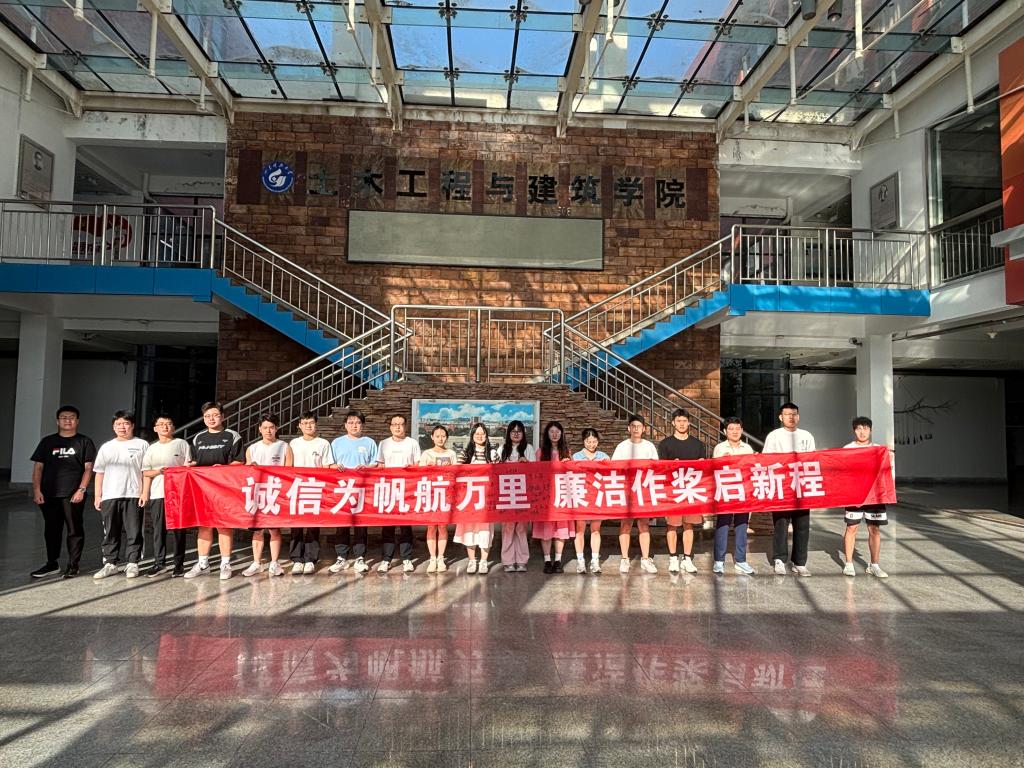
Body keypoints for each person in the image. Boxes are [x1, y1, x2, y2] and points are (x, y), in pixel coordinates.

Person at [29, 405, 96, 579]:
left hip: (73, 494)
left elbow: (89, 468)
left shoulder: (85, 441)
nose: (68, 420)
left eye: (72, 417)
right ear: (57, 421)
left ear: (77, 421)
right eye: (64, 417)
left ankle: (73, 565)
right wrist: (37, 490)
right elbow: (38, 468)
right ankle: (52, 563)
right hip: (49, 493)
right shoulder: (47, 442)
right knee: (51, 529)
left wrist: (81, 489)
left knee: (74, 529)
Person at [184, 402, 244, 580]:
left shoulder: (232, 436)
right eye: (207, 416)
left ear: (222, 417)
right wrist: (191, 465)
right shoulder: (198, 438)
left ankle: (225, 563)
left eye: (215, 415)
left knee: (223, 525)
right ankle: (203, 563)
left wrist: (224, 468)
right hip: (202, 488)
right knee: (204, 525)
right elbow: (195, 460)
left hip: (224, 488)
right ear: (203, 418)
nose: (211, 419)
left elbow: (240, 461)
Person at [92, 411, 148, 580]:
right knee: (110, 531)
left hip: (133, 493)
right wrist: (97, 496)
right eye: (118, 424)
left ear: (132, 425)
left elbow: (146, 471)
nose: (122, 427)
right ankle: (110, 563)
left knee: (134, 530)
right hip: (110, 495)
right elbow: (99, 472)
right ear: (113, 427)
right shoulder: (107, 447)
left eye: (125, 423)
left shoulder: (142, 444)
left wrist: (144, 492)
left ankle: (133, 562)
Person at [762, 401, 816, 577]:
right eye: (787, 414)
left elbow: (812, 459)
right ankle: (779, 559)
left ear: (798, 417)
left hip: (801, 487)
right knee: (781, 524)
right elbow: (766, 460)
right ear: (780, 417)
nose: (791, 417)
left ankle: (799, 562)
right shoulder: (774, 436)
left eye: (794, 414)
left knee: (802, 525)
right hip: (782, 487)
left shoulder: (807, 435)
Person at [139, 413, 193, 578]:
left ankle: (178, 564)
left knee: (178, 529)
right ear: (155, 428)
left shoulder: (181, 444)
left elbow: (188, 469)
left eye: (169, 423)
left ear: (174, 427)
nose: (165, 426)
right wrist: (145, 492)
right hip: (158, 493)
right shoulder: (152, 448)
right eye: (161, 424)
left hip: (178, 493)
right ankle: (159, 563)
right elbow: (146, 472)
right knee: (158, 529)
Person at [242, 414, 293, 578]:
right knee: (257, 531)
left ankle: (274, 563)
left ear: (276, 428)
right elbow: (246, 472)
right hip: (257, 494)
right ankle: (257, 563)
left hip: (275, 493)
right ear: (260, 429)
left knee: (274, 530)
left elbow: (289, 471)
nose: (268, 431)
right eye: (265, 428)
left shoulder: (284, 447)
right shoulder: (252, 448)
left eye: (271, 427)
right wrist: (251, 467)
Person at [328, 410, 377, 574]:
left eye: (357, 422)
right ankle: (341, 557)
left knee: (361, 524)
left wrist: (367, 467)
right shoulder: (336, 443)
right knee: (342, 523)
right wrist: (335, 467)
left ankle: (360, 557)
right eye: (350, 422)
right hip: (342, 489)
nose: (354, 425)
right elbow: (330, 464)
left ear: (362, 425)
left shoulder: (369, 442)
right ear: (345, 425)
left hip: (362, 489)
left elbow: (376, 464)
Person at [658, 408, 706, 574]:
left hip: (691, 489)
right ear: (673, 423)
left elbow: (703, 468)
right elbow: (661, 469)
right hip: (673, 490)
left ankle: (687, 558)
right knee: (672, 525)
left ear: (689, 423)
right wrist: (672, 465)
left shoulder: (698, 444)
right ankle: (673, 558)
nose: (682, 424)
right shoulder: (665, 444)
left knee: (688, 524)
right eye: (678, 421)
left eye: (684, 421)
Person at [842, 417, 890, 579]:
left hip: (874, 495)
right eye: (858, 428)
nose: (862, 432)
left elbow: (886, 472)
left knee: (874, 528)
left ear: (870, 430)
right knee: (852, 527)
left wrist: (890, 457)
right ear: (854, 430)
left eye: (865, 428)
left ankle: (874, 565)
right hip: (855, 494)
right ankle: (849, 564)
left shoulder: (878, 450)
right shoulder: (847, 449)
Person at [612, 415, 660, 574]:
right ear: (628, 428)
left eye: (639, 426)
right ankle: (625, 558)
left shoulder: (649, 446)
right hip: (626, 491)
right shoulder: (622, 447)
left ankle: (645, 559)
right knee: (625, 525)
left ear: (644, 429)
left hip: (643, 491)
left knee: (644, 525)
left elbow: (656, 467)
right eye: (633, 426)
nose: (636, 429)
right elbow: (614, 467)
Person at [288, 411, 334, 574]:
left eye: (311, 423)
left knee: (313, 525)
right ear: (299, 425)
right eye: (305, 423)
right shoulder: (293, 443)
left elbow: (327, 466)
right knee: (296, 525)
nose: (308, 426)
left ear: (316, 424)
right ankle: (297, 559)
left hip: (315, 488)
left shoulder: (323, 443)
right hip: (297, 487)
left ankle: (310, 559)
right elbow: (288, 466)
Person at [377, 413, 421, 573]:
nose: (397, 427)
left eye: (400, 424)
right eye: (394, 424)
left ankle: (407, 558)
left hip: (407, 490)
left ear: (405, 426)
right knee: (388, 526)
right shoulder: (383, 444)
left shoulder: (412, 443)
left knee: (405, 526)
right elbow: (380, 466)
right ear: (390, 427)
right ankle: (386, 559)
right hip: (388, 490)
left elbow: (418, 465)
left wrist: (412, 469)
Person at [711, 417, 755, 575]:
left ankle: (741, 560)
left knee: (742, 525)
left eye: (737, 428)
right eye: (731, 429)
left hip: (743, 492)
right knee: (723, 525)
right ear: (725, 431)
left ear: (742, 430)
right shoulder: (719, 448)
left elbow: (751, 469)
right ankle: (719, 560)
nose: (735, 432)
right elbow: (714, 468)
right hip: (726, 492)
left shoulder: (747, 448)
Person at [455, 422, 496, 574]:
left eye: (482, 433)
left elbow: (499, 472)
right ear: (472, 436)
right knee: (469, 530)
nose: (480, 436)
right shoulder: (464, 454)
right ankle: (472, 561)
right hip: (469, 499)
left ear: (486, 436)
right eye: (477, 433)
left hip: (486, 498)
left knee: (485, 530)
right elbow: (456, 471)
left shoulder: (492, 453)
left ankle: (484, 561)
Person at [535, 421, 573, 574]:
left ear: (562, 434)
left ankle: (558, 560)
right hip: (546, 496)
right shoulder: (540, 452)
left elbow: (572, 474)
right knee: (546, 529)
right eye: (551, 431)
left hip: (562, 495)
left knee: (560, 528)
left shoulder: (567, 452)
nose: (555, 434)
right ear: (547, 434)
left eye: (557, 431)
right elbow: (536, 474)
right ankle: (547, 560)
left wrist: (568, 464)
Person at [419, 424, 457, 573]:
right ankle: (432, 558)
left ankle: (441, 558)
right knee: (431, 526)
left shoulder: (451, 453)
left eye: (443, 436)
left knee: (442, 526)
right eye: (437, 436)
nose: (440, 438)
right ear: (432, 437)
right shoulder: (426, 454)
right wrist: (427, 467)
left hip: (445, 494)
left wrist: (450, 468)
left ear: (446, 437)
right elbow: (419, 474)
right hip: (430, 494)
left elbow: (457, 474)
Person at [499, 420, 535, 573]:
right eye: (513, 431)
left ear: (523, 433)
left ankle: (522, 560)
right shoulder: (502, 449)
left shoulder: (529, 448)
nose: (516, 433)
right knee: (508, 528)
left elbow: (536, 471)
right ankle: (507, 561)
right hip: (506, 494)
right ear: (508, 433)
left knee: (521, 527)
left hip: (523, 494)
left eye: (519, 431)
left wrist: (526, 463)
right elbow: (496, 469)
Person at [572, 428, 608, 574]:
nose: (591, 444)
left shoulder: (603, 456)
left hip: (597, 497)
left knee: (596, 529)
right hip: (582, 496)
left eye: (594, 441)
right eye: (588, 441)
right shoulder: (576, 456)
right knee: (579, 529)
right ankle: (580, 561)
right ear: (583, 441)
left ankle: (595, 560)